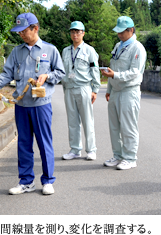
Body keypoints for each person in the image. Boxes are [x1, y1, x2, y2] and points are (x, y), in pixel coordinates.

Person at [0, 13, 65, 195]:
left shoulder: (50, 50)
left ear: (35, 28)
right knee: (24, 144)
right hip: (21, 105)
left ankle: (48, 180)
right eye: (19, 32)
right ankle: (26, 181)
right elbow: (6, 75)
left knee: (44, 143)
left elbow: (60, 72)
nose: (21, 35)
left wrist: (47, 76)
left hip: (41, 104)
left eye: (24, 31)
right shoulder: (16, 52)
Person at [101, 16, 146, 170]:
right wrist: (109, 89)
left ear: (131, 30)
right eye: (118, 32)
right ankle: (118, 155)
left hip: (129, 91)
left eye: (122, 32)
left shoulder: (137, 48)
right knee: (114, 126)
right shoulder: (118, 46)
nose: (119, 34)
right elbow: (114, 65)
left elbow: (134, 72)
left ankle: (130, 157)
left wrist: (115, 76)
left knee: (128, 126)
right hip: (115, 91)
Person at [61, 21, 100, 161]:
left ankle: (91, 150)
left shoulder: (89, 50)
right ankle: (75, 150)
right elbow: (64, 72)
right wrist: (65, 88)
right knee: (72, 121)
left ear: (83, 33)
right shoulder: (65, 51)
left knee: (87, 120)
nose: (75, 34)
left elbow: (94, 70)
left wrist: (95, 89)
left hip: (84, 88)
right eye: (72, 32)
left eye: (78, 32)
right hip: (69, 89)